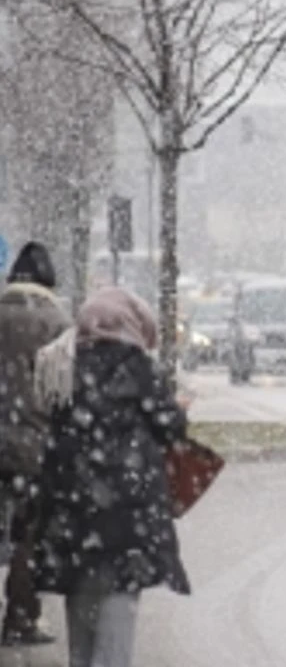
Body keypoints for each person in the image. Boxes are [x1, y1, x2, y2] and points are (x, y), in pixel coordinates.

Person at [33, 286, 190, 667]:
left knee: (82, 627)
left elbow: (51, 430)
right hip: (126, 518)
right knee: (117, 622)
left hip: (72, 515)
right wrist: (179, 408)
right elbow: (170, 427)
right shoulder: (135, 365)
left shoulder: (64, 364)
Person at [0, 241, 72, 645]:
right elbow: (63, 392)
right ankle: (20, 617)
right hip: (34, 446)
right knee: (30, 534)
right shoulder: (56, 323)